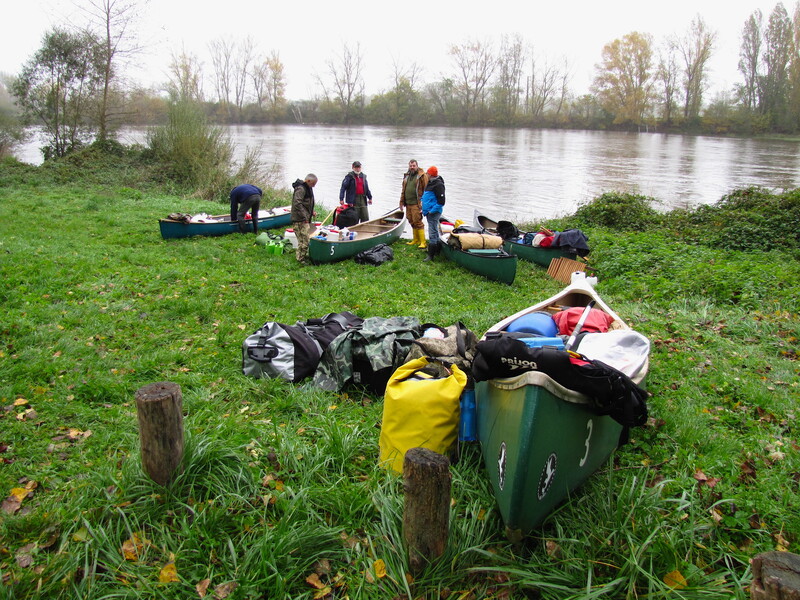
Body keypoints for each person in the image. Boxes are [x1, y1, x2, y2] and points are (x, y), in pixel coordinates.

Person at [400, 159, 428, 248]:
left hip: (417, 203)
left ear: (417, 166)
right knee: (411, 220)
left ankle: (423, 242)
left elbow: (426, 190)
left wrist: (423, 204)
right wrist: (401, 202)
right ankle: (415, 240)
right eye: (410, 166)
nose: (412, 167)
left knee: (417, 221)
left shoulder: (422, 176)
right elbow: (403, 190)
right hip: (408, 203)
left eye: (414, 166)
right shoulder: (407, 176)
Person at [290, 174, 318, 265]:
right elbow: (297, 204)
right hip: (299, 219)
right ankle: (300, 259)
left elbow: (306, 203)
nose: (314, 186)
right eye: (313, 183)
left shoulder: (308, 188)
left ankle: (302, 255)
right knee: (304, 240)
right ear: (308, 181)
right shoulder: (301, 189)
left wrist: (311, 212)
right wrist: (305, 216)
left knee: (305, 239)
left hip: (304, 218)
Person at [421, 166, 445, 262]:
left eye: (427, 173)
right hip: (428, 212)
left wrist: (431, 211)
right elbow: (427, 196)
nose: (426, 174)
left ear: (430, 174)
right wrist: (422, 203)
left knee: (432, 232)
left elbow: (441, 202)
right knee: (434, 230)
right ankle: (437, 251)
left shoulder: (439, 185)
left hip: (433, 213)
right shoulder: (430, 182)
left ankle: (431, 256)